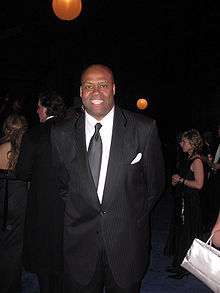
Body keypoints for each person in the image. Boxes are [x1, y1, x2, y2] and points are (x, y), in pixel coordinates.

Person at [51, 64, 165, 293]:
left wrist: (129, 214)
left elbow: (155, 186)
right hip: (80, 245)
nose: (96, 92)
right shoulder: (60, 133)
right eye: (89, 86)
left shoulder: (143, 129)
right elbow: (63, 185)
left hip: (127, 244)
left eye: (102, 85)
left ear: (113, 88)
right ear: (81, 91)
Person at [16, 91, 67, 293]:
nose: (36, 110)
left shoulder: (34, 134)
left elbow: (22, 173)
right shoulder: (73, 132)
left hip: (42, 205)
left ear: (46, 108)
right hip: (69, 204)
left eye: (38, 106)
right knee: (64, 253)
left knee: (43, 256)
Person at [165, 129, 204, 279]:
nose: (181, 144)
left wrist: (181, 180)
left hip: (191, 204)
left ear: (192, 144)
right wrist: (177, 180)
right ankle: (180, 264)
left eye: (184, 142)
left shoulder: (197, 161)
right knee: (182, 234)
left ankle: (184, 269)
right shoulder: (187, 158)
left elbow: (199, 184)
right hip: (183, 201)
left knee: (188, 235)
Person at [0, 114, 28, 293]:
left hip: (3, 198)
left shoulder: (1, 147)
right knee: (15, 246)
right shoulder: (26, 150)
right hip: (18, 201)